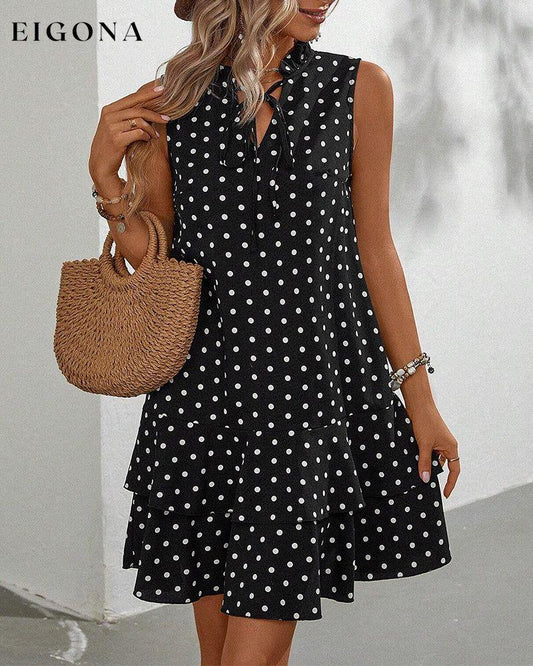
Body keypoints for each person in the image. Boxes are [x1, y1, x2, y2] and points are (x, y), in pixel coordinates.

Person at [88, 1, 461, 663]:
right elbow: (158, 262)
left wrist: (420, 400)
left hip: (306, 397)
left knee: (251, 654)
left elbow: (374, 249)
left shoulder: (359, 87)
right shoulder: (172, 101)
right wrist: (104, 177)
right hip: (202, 397)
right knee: (222, 655)